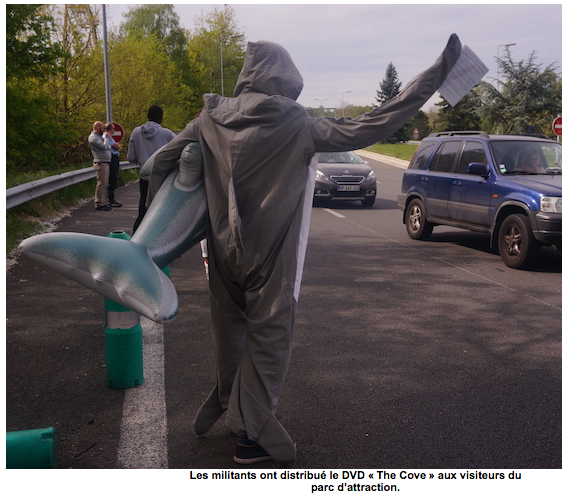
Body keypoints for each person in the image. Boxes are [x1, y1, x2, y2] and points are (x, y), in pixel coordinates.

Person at [147, 35, 465, 465]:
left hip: (222, 251)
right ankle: (249, 433)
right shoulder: (297, 122)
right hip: (271, 253)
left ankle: (227, 399)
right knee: (269, 338)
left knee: (229, 334)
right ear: (286, 76)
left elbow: (159, 163)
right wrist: (437, 73)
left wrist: (153, 226)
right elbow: (376, 123)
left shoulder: (208, 118)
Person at [128, 105, 176, 232]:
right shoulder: (167, 134)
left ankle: (137, 237)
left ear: (147, 116)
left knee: (143, 209)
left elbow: (131, 157)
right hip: (162, 178)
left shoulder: (136, 132)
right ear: (161, 118)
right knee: (161, 210)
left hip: (144, 176)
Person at [88, 121, 112, 211]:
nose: (104, 130)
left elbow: (108, 147)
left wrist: (106, 142)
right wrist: (106, 139)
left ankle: (103, 202)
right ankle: (99, 203)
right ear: (97, 128)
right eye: (103, 128)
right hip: (100, 162)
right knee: (101, 183)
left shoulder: (99, 137)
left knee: (105, 183)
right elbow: (104, 147)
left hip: (105, 161)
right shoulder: (93, 138)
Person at [104, 123, 122, 208]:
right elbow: (116, 146)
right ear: (110, 129)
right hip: (112, 157)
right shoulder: (107, 135)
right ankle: (111, 199)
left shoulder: (108, 136)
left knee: (112, 179)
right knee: (112, 178)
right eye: (113, 128)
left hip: (112, 157)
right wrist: (117, 146)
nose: (114, 130)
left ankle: (110, 199)